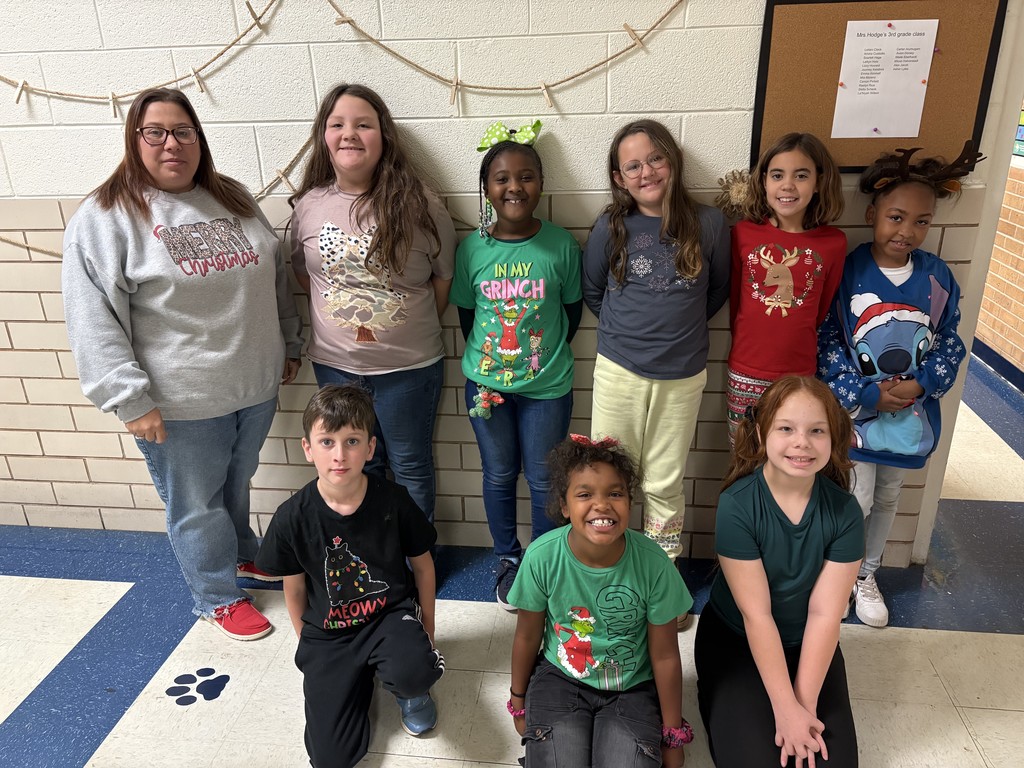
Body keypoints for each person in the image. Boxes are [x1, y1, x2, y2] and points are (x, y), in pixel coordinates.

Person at [61, 87, 302, 641]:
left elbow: (271, 276)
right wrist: (129, 399)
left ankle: (240, 554)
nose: (172, 144)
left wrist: (290, 342)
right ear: (134, 140)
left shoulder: (232, 197)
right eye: (157, 133)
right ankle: (215, 595)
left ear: (199, 139)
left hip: (253, 386)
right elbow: (92, 316)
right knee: (195, 502)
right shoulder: (106, 217)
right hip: (179, 402)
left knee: (235, 483)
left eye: (184, 131)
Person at [818, 143, 979, 627]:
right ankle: (836, 575)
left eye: (921, 222)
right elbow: (826, 339)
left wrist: (922, 384)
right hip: (856, 415)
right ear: (872, 214)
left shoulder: (936, 276)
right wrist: (864, 392)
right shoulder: (848, 270)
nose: (906, 231)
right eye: (896, 217)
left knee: (888, 498)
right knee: (856, 498)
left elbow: (951, 339)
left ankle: (866, 575)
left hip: (910, 415)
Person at [582, 119, 730, 627]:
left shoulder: (708, 224)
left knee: (665, 481)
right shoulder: (611, 226)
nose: (647, 171)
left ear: (673, 161)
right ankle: (608, 571)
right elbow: (594, 292)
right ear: (619, 178)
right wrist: (633, 338)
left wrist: (673, 337)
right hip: (619, 371)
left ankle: (660, 578)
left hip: (683, 375)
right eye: (633, 165)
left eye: (655, 159)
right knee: (608, 474)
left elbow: (716, 293)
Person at [288, 83, 457, 524]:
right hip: (334, 367)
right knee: (359, 467)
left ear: (384, 135)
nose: (350, 134)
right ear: (323, 137)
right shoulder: (309, 206)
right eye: (337, 124)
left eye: (363, 124)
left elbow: (443, 278)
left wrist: (400, 328)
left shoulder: (422, 204)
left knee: (410, 466)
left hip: (409, 369)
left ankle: (416, 561)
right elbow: (305, 275)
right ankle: (372, 554)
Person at [255, 385, 444, 768]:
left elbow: (423, 566)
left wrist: (428, 632)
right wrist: (306, 644)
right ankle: (355, 678)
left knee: (414, 669)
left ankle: (411, 690)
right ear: (308, 448)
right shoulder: (292, 516)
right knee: (331, 759)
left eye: (352, 441)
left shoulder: (394, 500)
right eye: (327, 442)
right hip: (330, 632)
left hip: (389, 618)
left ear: (370, 448)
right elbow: (293, 589)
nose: (339, 455)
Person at [694, 376, 863, 768]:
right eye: (786, 428)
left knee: (827, 759)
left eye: (816, 431)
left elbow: (824, 615)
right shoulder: (737, 505)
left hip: (807, 644)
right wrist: (782, 707)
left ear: (833, 437)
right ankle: (716, 697)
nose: (801, 442)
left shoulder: (845, 512)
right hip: (738, 640)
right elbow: (758, 615)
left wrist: (800, 709)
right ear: (761, 432)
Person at [449, 121, 583, 610]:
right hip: (487, 387)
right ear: (486, 189)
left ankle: (546, 562)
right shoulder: (472, 249)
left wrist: (538, 362)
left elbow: (570, 313)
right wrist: (493, 367)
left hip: (548, 387)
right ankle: (508, 559)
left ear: (541, 185)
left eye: (525, 176)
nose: (514, 187)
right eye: (502, 178)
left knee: (547, 478)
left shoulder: (562, 246)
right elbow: (467, 315)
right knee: (499, 473)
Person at [508, 435, 694, 768]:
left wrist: (672, 733)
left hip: (632, 685)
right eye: (584, 494)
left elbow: (665, 655)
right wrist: (518, 699)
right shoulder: (542, 557)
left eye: (615, 493)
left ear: (630, 501)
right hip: (560, 678)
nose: (602, 505)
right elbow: (527, 635)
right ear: (564, 507)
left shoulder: (654, 564)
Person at [726, 133, 846, 444]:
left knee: (791, 458)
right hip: (746, 368)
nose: (788, 185)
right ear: (763, 182)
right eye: (777, 175)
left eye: (801, 175)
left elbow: (821, 311)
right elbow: (736, 302)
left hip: (799, 375)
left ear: (819, 182)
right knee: (743, 454)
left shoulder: (833, 243)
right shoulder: (743, 233)